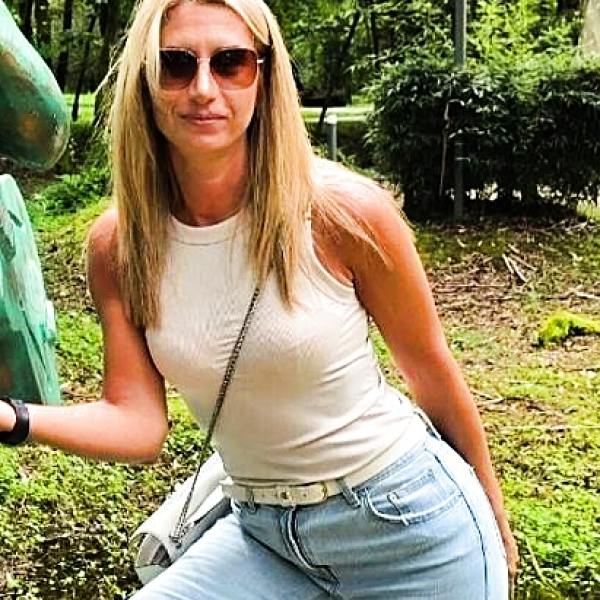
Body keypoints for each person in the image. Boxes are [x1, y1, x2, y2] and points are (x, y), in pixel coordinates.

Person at [0, 0, 519, 597]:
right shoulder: (120, 245)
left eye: (231, 63)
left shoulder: (344, 215)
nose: (203, 88)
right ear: (144, 80)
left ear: (265, 78)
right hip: (263, 533)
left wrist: (492, 517)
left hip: (407, 526)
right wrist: (15, 417)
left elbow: (431, 372)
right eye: (175, 64)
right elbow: (136, 420)